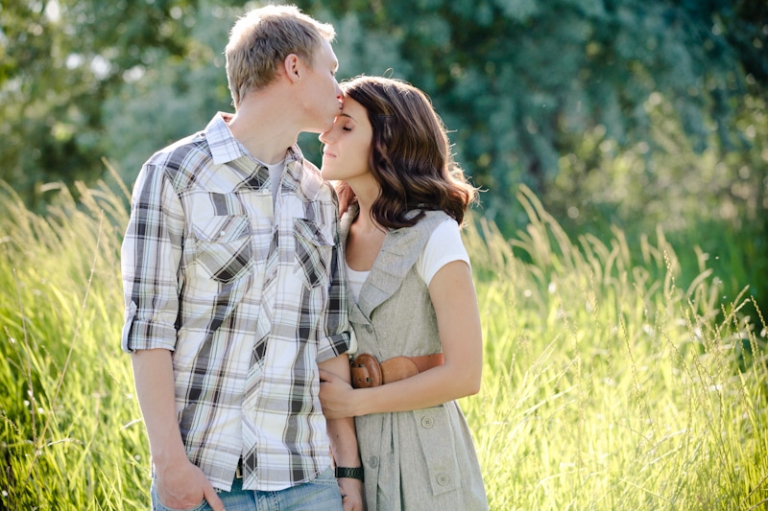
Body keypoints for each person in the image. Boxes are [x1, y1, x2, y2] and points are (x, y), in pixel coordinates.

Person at [120, 5, 363, 511]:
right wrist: (170, 466)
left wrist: (348, 477)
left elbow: (329, 343)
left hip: (307, 482)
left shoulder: (320, 196)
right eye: (331, 70)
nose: (339, 90)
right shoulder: (173, 174)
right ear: (293, 68)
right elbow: (149, 331)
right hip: (204, 484)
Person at [317, 76, 489, 510]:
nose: (325, 134)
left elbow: (465, 375)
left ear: (388, 142)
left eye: (346, 126)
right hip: (347, 461)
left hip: (429, 458)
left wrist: (356, 401)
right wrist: (348, 473)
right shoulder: (329, 233)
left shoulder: (437, 234)